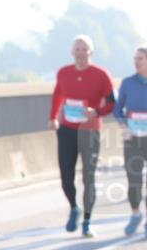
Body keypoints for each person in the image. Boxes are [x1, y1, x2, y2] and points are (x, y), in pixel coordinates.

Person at [48, 35, 116, 238]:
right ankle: (74, 208)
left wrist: (96, 112)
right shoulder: (64, 73)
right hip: (67, 130)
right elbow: (58, 95)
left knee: (88, 177)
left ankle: (87, 221)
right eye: (77, 49)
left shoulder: (101, 75)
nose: (81, 53)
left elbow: (112, 103)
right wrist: (53, 118)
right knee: (66, 177)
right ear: (72, 52)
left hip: (90, 130)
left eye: (84, 49)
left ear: (91, 53)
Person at [113, 43, 147, 238]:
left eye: (140, 58)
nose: (136, 62)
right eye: (134, 59)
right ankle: (135, 214)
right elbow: (118, 109)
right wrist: (124, 127)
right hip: (132, 138)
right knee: (134, 180)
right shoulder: (127, 83)